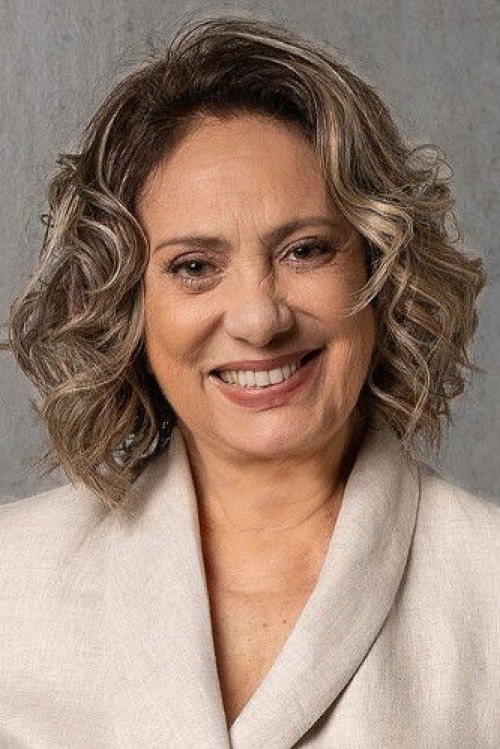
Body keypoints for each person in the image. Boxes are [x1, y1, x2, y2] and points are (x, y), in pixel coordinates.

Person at [0, 13, 498, 748]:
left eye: (306, 250)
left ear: (382, 269)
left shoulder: (489, 587)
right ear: (126, 304)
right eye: (194, 266)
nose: (260, 319)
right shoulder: (11, 583)